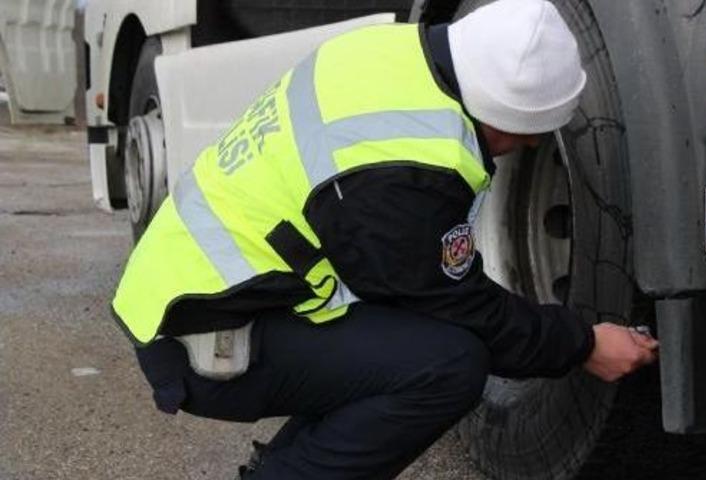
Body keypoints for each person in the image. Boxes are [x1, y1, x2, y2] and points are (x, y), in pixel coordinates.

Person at [111, 0, 659, 478]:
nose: (530, 148)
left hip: (191, 288)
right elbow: (463, 309)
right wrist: (584, 343)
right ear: (504, 119)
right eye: (530, 137)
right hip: (204, 335)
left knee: (396, 346)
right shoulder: (411, 170)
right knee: (448, 365)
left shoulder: (386, 53)